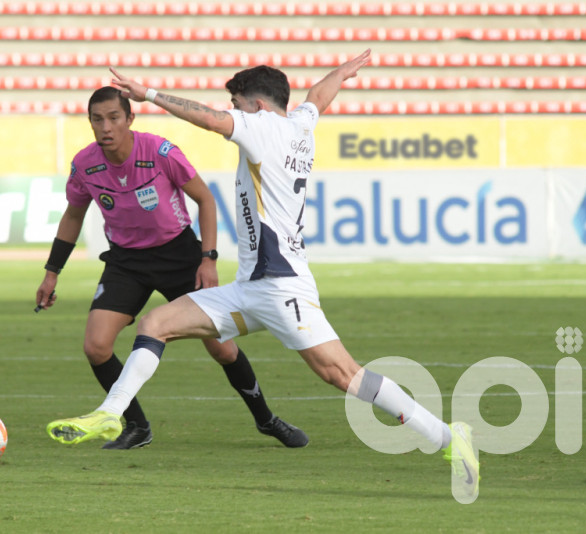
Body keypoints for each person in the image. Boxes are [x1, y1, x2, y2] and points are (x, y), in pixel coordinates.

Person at [45, 50, 479, 501]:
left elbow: (210, 120)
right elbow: (318, 97)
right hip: (251, 287)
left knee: (343, 374)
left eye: (236, 103)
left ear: (255, 105)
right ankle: (111, 413)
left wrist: (149, 94)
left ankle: (448, 437)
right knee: (156, 325)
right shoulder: (299, 124)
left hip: (281, 288)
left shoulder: (263, 126)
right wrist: (342, 74)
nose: (232, 111)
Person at [36, 86, 308, 450]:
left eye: (114, 118)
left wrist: (207, 258)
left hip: (179, 256)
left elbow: (205, 199)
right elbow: (73, 214)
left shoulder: (160, 152)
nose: (106, 127)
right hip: (126, 261)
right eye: (97, 120)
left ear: (130, 119)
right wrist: (52, 271)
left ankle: (266, 418)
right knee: (96, 346)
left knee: (222, 350)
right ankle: (136, 426)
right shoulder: (85, 165)